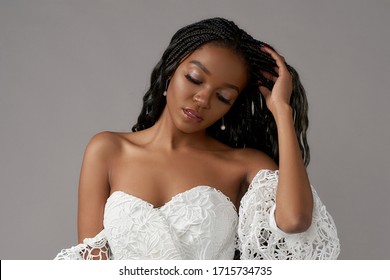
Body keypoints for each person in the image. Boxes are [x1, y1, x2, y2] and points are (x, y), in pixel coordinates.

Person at [55, 17, 340, 260]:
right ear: (171, 72)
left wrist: (282, 110)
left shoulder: (243, 164)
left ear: (233, 106)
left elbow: (294, 220)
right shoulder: (107, 150)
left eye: (223, 96)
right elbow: (90, 263)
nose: (203, 99)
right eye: (194, 78)